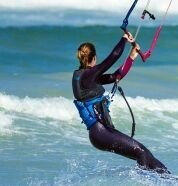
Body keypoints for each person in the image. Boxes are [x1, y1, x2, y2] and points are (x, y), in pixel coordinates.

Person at [72, 32, 169, 174]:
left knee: (143, 152)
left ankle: (170, 179)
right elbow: (113, 57)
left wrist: (131, 57)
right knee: (141, 152)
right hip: (100, 132)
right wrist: (124, 39)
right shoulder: (87, 75)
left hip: (102, 132)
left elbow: (116, 76)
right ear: (93, 58)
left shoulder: (87, 78)